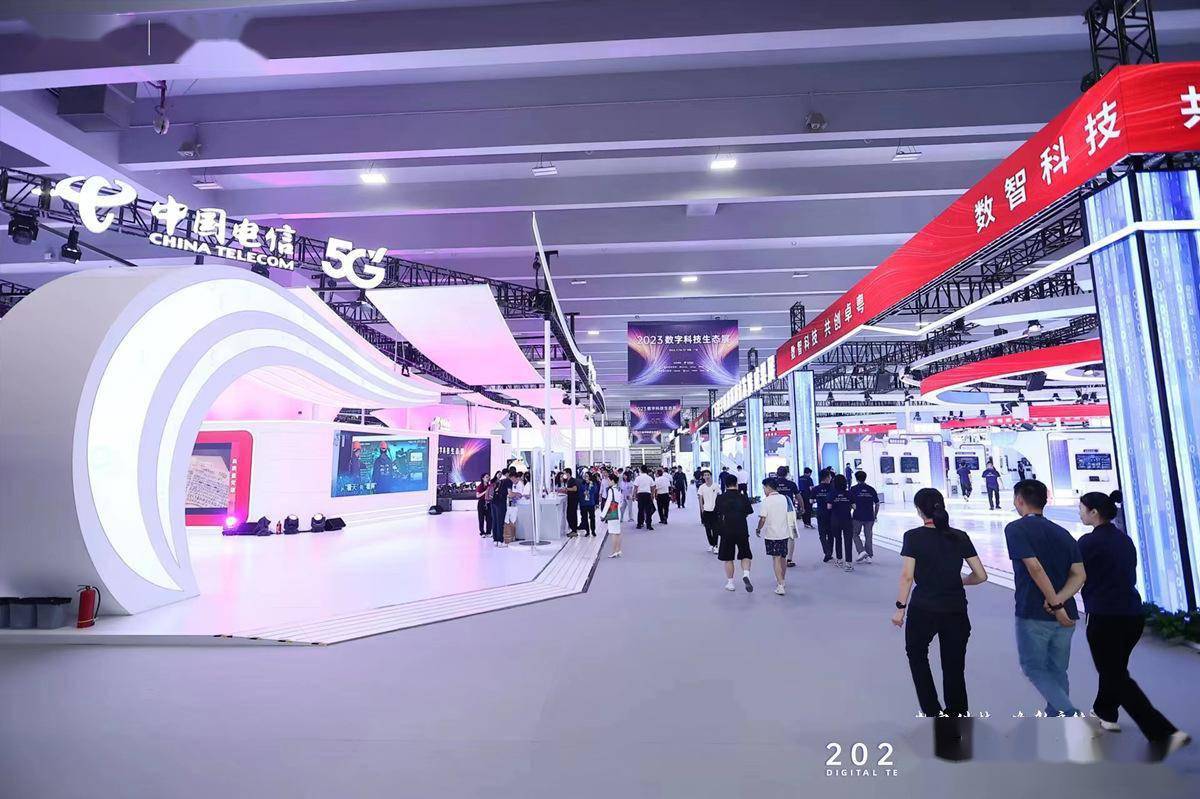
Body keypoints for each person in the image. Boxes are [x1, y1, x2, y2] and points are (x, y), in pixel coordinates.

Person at [1076, 492, 1189, 751]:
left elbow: (1075, 574)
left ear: (1094, 512)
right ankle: (1105, 711)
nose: (1079, 513)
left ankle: (1163, 732)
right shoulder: (1124, 540)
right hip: (1132, 615)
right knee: (1114, 667)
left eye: (1082, 509)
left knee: (1115, 674)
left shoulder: (1087, 543)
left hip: (1104, 615)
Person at [893, 488, 988, 718]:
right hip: (955, 608)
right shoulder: (960, 536)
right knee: (954, 666)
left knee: (917, 655)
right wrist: (960, 581)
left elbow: (907, 576)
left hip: (923, 608)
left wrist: (900, 609)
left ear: (919, 510)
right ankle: (957, 716)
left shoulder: (913, 537)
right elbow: (981, 575)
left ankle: (932, 711)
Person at [1005, 479, 1086, 717]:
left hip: (1034, 611)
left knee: (1033, 667)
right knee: (1057, 670)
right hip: (1067, 615)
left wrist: (1055, 603)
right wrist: (1061, 600)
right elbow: (1079, 574)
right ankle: (1057, 717)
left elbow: (1035, 568)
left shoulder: (1016, 529)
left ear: (1019, 500)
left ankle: (1069, 713)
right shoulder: (1063, 533)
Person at [756, 477, 797, 595]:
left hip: (772, 534)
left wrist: (758, 529)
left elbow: (763, 519)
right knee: (783, 557)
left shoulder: (766, 501)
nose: (764, 490)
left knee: (776, 558)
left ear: (768, 487)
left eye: (764, 488)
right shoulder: (785, 498)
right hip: (784, 533)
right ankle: (782, 579)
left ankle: (780, 585)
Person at [715, 472, 754, 592]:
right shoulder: (743, 497)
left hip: (726, 530)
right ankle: (746, 574)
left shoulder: (720, 498)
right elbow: (748, 512)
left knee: (728, 558)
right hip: (742, 529)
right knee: (745, 554)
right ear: (736, 484)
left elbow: (717, 513)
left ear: (725, 484)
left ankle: (730, 583)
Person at [849, 470, 880, 564]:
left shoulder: (853, 489)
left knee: (854, 534)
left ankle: (861, 551)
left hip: (857, 516)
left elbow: (850, 503)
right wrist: (875, 515)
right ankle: (869, 556)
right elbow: (877, 503)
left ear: (856, 479)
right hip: (869, 516)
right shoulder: (871, 489)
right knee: (868, 536)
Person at [773, 466, 800, 568]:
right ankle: (789, 559)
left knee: (777, 534)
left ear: (777, 473)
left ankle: (779, 557)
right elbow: (798, 496)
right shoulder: (791, 484)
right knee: (791, 535)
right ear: (786, 474)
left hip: (776, 512)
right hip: (789, 512)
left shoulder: (773, 484)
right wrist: (802, 507)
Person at [828, 474, 854, 571]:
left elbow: (829, 507)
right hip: (847, 519)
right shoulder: (849, 493)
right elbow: (854, 506)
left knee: (838, 539)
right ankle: (849, 563)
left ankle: (839, 560)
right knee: (848, 540)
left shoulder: (832, 493)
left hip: (835, 519)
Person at [812, 470, 834, 562]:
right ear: (828, 477)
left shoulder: (815, 489)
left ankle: (826, 552)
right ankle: (830, 553)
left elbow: (811, 501)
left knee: (822, 534)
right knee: (831, 534)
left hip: (820, 513)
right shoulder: (833, 488)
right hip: (831, 513)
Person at [490, 468, 514, 547]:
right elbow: (510, 494)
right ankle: (500, 541)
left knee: (495, 521)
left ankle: (495, 540)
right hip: (500, 503)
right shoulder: (509, 481)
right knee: (500, 522)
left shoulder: (500, 481)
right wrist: (517, 494)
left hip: (493, 502)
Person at [698, 469, 720, 553]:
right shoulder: (702, 487)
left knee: (715, 529)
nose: (707, 476)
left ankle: (716, 545)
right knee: (707, 529)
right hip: (706, 510)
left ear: (710, 476)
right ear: (703, 477)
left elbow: (719, 496)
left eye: (708, 475)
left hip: (715, 510)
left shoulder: (716, 486)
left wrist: (719, 508)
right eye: (705, 475)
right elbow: (700, 499)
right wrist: (702, 509)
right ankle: (711, 544)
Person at [603, 477, 624, 558]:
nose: (608, 481)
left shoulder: (611, 490)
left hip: (612, 510)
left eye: (609, 480)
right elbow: (621, 501)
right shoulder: (619, 489)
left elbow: (608, 502)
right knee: (618, 532)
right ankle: (618, 550)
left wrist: (603, 514)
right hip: (618, 510)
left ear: (612, 481)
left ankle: (614, 551)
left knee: (613, 532)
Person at [633, 465, 655, 530]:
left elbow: (635, 487)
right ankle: (649, 525)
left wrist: (634, 495)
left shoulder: (638, 478)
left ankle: (639, 524)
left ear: (641, 470)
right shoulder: (649, 478)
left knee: (640, 510)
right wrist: (652, 495)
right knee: (648, 510)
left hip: (640, 494)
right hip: (648, 494)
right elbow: (653, 487)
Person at [578, 472, 599, 537]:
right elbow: (579, 493)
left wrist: (591, 486)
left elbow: (595, 492)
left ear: (590, 477)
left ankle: (593, 531)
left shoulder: (593, 484)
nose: (585, 477)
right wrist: (583, 493)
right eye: (585, 476)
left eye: (587, 476)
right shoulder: (582, 484)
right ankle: (587, 531)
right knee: (584, 518)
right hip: (583, 503)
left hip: (591, 503)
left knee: (592, 517)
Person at [561, 468, 580, 537]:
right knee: (570, 515)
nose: (563, 475)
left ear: (568, 473)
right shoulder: (568, 481)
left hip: (573, 500)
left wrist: (566, 489)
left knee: (571, 515)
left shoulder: (572, 480)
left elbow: (575, 489)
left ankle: (574, 530)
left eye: (564, 473)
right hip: (570, 500)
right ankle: (573, 530)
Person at [475, 472, 492, 538]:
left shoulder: (490, 486)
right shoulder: (480, 486)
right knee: (481, 518)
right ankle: (482, 532)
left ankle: (488, 532)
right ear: (483, 478)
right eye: (486, 477)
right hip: (481, 503)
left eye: (488, 477)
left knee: (489, 518)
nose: (488, 478)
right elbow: (477, 496)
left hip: (488, 503)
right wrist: (485, 491)